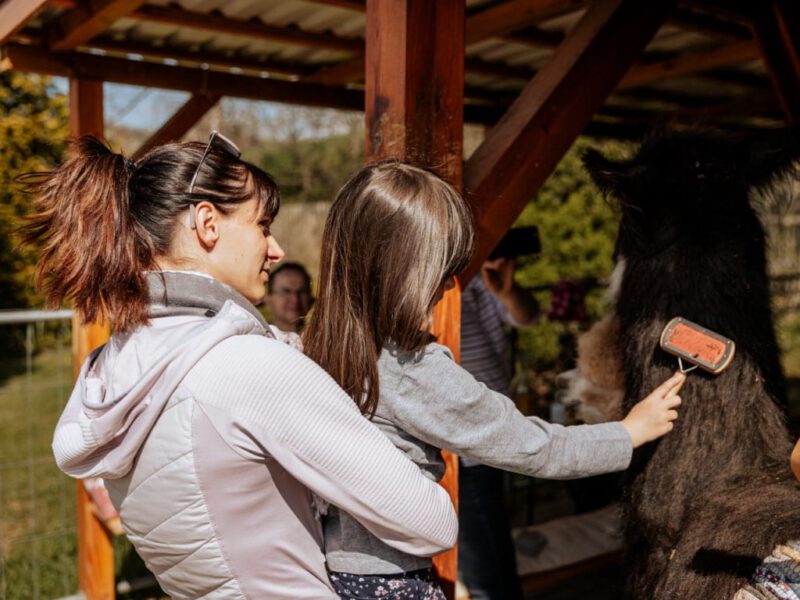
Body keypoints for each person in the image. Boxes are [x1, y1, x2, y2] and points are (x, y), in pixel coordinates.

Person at [23, 135, 458, 599]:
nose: (276, 248)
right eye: (263, 225)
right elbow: (431, 523)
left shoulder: (115, 371)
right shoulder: (248, 368)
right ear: (208, 223)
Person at [302, 160, 684, 599]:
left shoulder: (323, 343)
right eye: (442, 270)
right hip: (393, 578)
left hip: (338, 566)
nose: (447, 286)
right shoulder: (411, 370)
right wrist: (628, 432)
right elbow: (534, 447)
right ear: (405, 271)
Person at [458, 257, 539, 600]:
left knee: (491, 564)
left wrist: (507, 291)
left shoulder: (477, 274)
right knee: (485, 571)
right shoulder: (426, 277)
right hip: (457, 439)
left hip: (486, 433)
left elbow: (528, 315)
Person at [264, 261, 314, 333]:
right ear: (268, 300)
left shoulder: (324, 339)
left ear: (311, 299)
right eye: (286, 292)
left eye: (302, 292)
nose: (295, 299)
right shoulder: (256, 339)